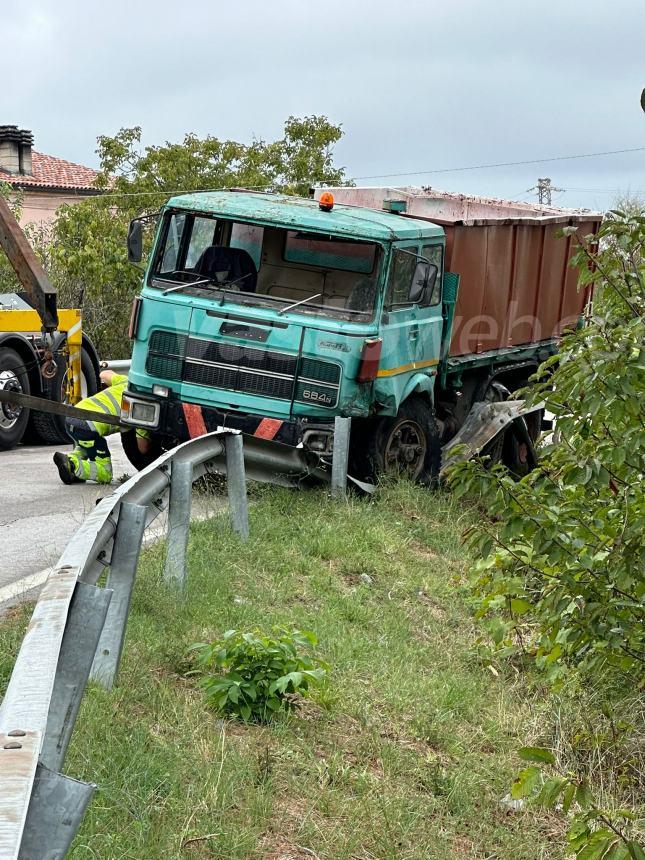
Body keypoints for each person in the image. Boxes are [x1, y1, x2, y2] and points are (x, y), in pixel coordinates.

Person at [53, 369, 151, 485]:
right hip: (87, 426)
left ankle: (69, 458)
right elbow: (143, 447)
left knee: (87, 444)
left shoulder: (126, 382)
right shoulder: (145, 409)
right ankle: (74, 466)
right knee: (105, 473)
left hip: (72, 418)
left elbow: (103, 374)